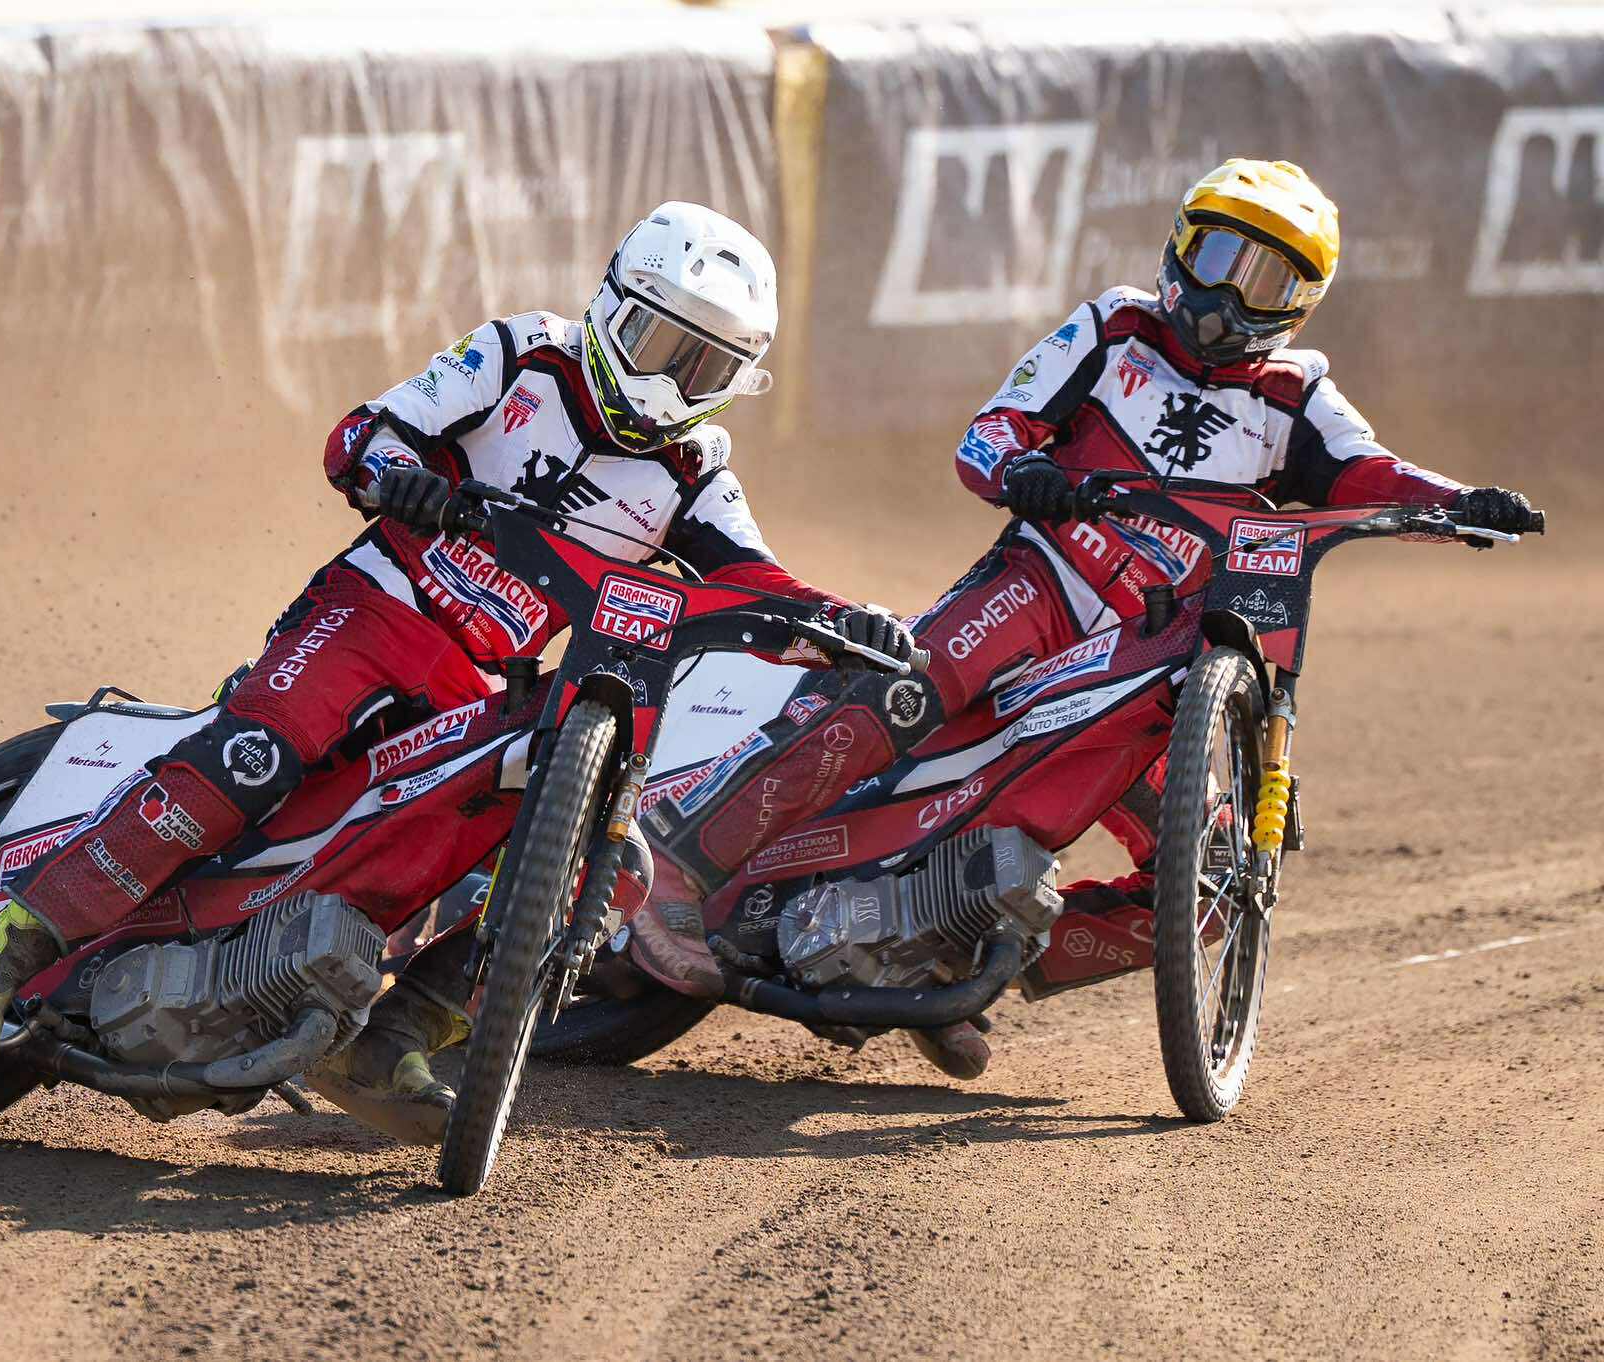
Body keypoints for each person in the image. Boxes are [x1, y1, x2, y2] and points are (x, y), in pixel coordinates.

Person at [0, 201, 912, 1141]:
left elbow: (758, 581)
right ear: (611, 306)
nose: (670, 384)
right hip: (377, 609)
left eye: (705, 368)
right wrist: (399, 478)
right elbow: (366, 433)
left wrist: (846, 624)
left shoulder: (694, 471)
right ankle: (0, 952)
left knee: (586, 872)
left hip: (482, 681)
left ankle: (386, 1040)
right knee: (256, 757)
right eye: (659, 345)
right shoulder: (520, 353)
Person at [633, 159, 1538, 1077]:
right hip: (1041, 585)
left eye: (1265, 278)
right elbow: (990, 434)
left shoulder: (1296, 396)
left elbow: (1371, 473)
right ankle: (680, 866)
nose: (1230, 294)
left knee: (1216, 877)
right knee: (902, 689)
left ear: (1301, 303)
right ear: (1179, 248)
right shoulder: (1114, 329)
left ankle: (946, 948)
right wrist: (1025, 472)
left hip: (1153, 658)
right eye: (1219, 258)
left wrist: (1463, 503)